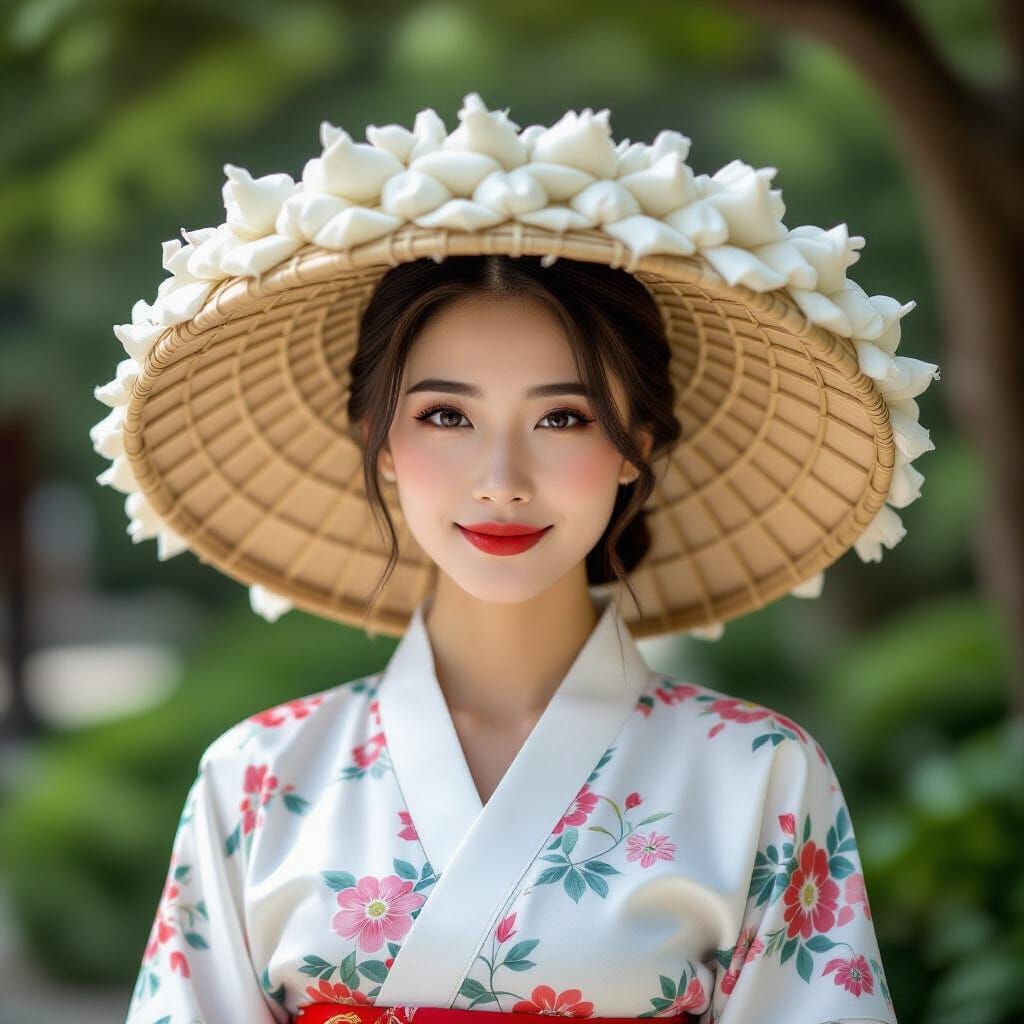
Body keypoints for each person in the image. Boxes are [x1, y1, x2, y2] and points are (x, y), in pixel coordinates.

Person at [93, 94, 939, 1024]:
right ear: (380, 442)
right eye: (446, 417)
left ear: (636, 444)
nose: (501, 480)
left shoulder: (759, 775)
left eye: (563, 418)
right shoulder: (256, 775)